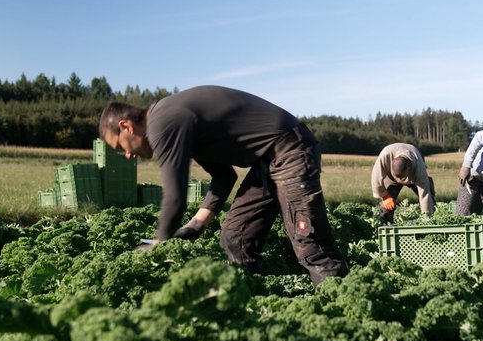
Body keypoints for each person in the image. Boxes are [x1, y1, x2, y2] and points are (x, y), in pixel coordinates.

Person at [98, 85, 348, 285]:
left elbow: (174, 196)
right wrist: (196, 224)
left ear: (126, 126)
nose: (127, 155)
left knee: (310, 241)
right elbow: (224, 176)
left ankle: (343, 311)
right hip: (268, 159)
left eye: (120, 147)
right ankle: (251, 306)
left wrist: (159, 243)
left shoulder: (162, 122)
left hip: (290, 148)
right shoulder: (174, 123)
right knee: (236, 236)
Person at [371, 143, 435, 224]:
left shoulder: (419, 169)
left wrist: (427, 218)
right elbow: (376, 178)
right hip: (391, 178)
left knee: (430, 201)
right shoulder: (385, 155)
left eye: (402, 177)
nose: (400, 180)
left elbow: (425, 195)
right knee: (385, 207)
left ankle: (434, 221)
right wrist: (385, 196)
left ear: (408, 169)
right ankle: (384, 225)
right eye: (398, 177)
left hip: (414, 176)